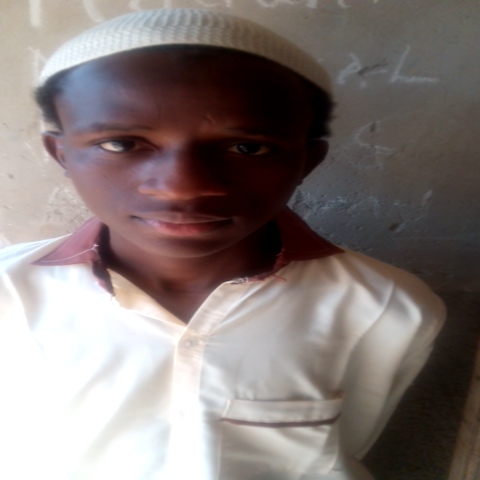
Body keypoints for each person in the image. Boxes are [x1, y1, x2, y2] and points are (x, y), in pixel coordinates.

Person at [0, 8, 445, 480]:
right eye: (121, 144)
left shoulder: (388, 308)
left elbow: (345, 448)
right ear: (61, 154)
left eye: (246, 148)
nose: (183, 187)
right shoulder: (9, 295)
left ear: (307, 160)